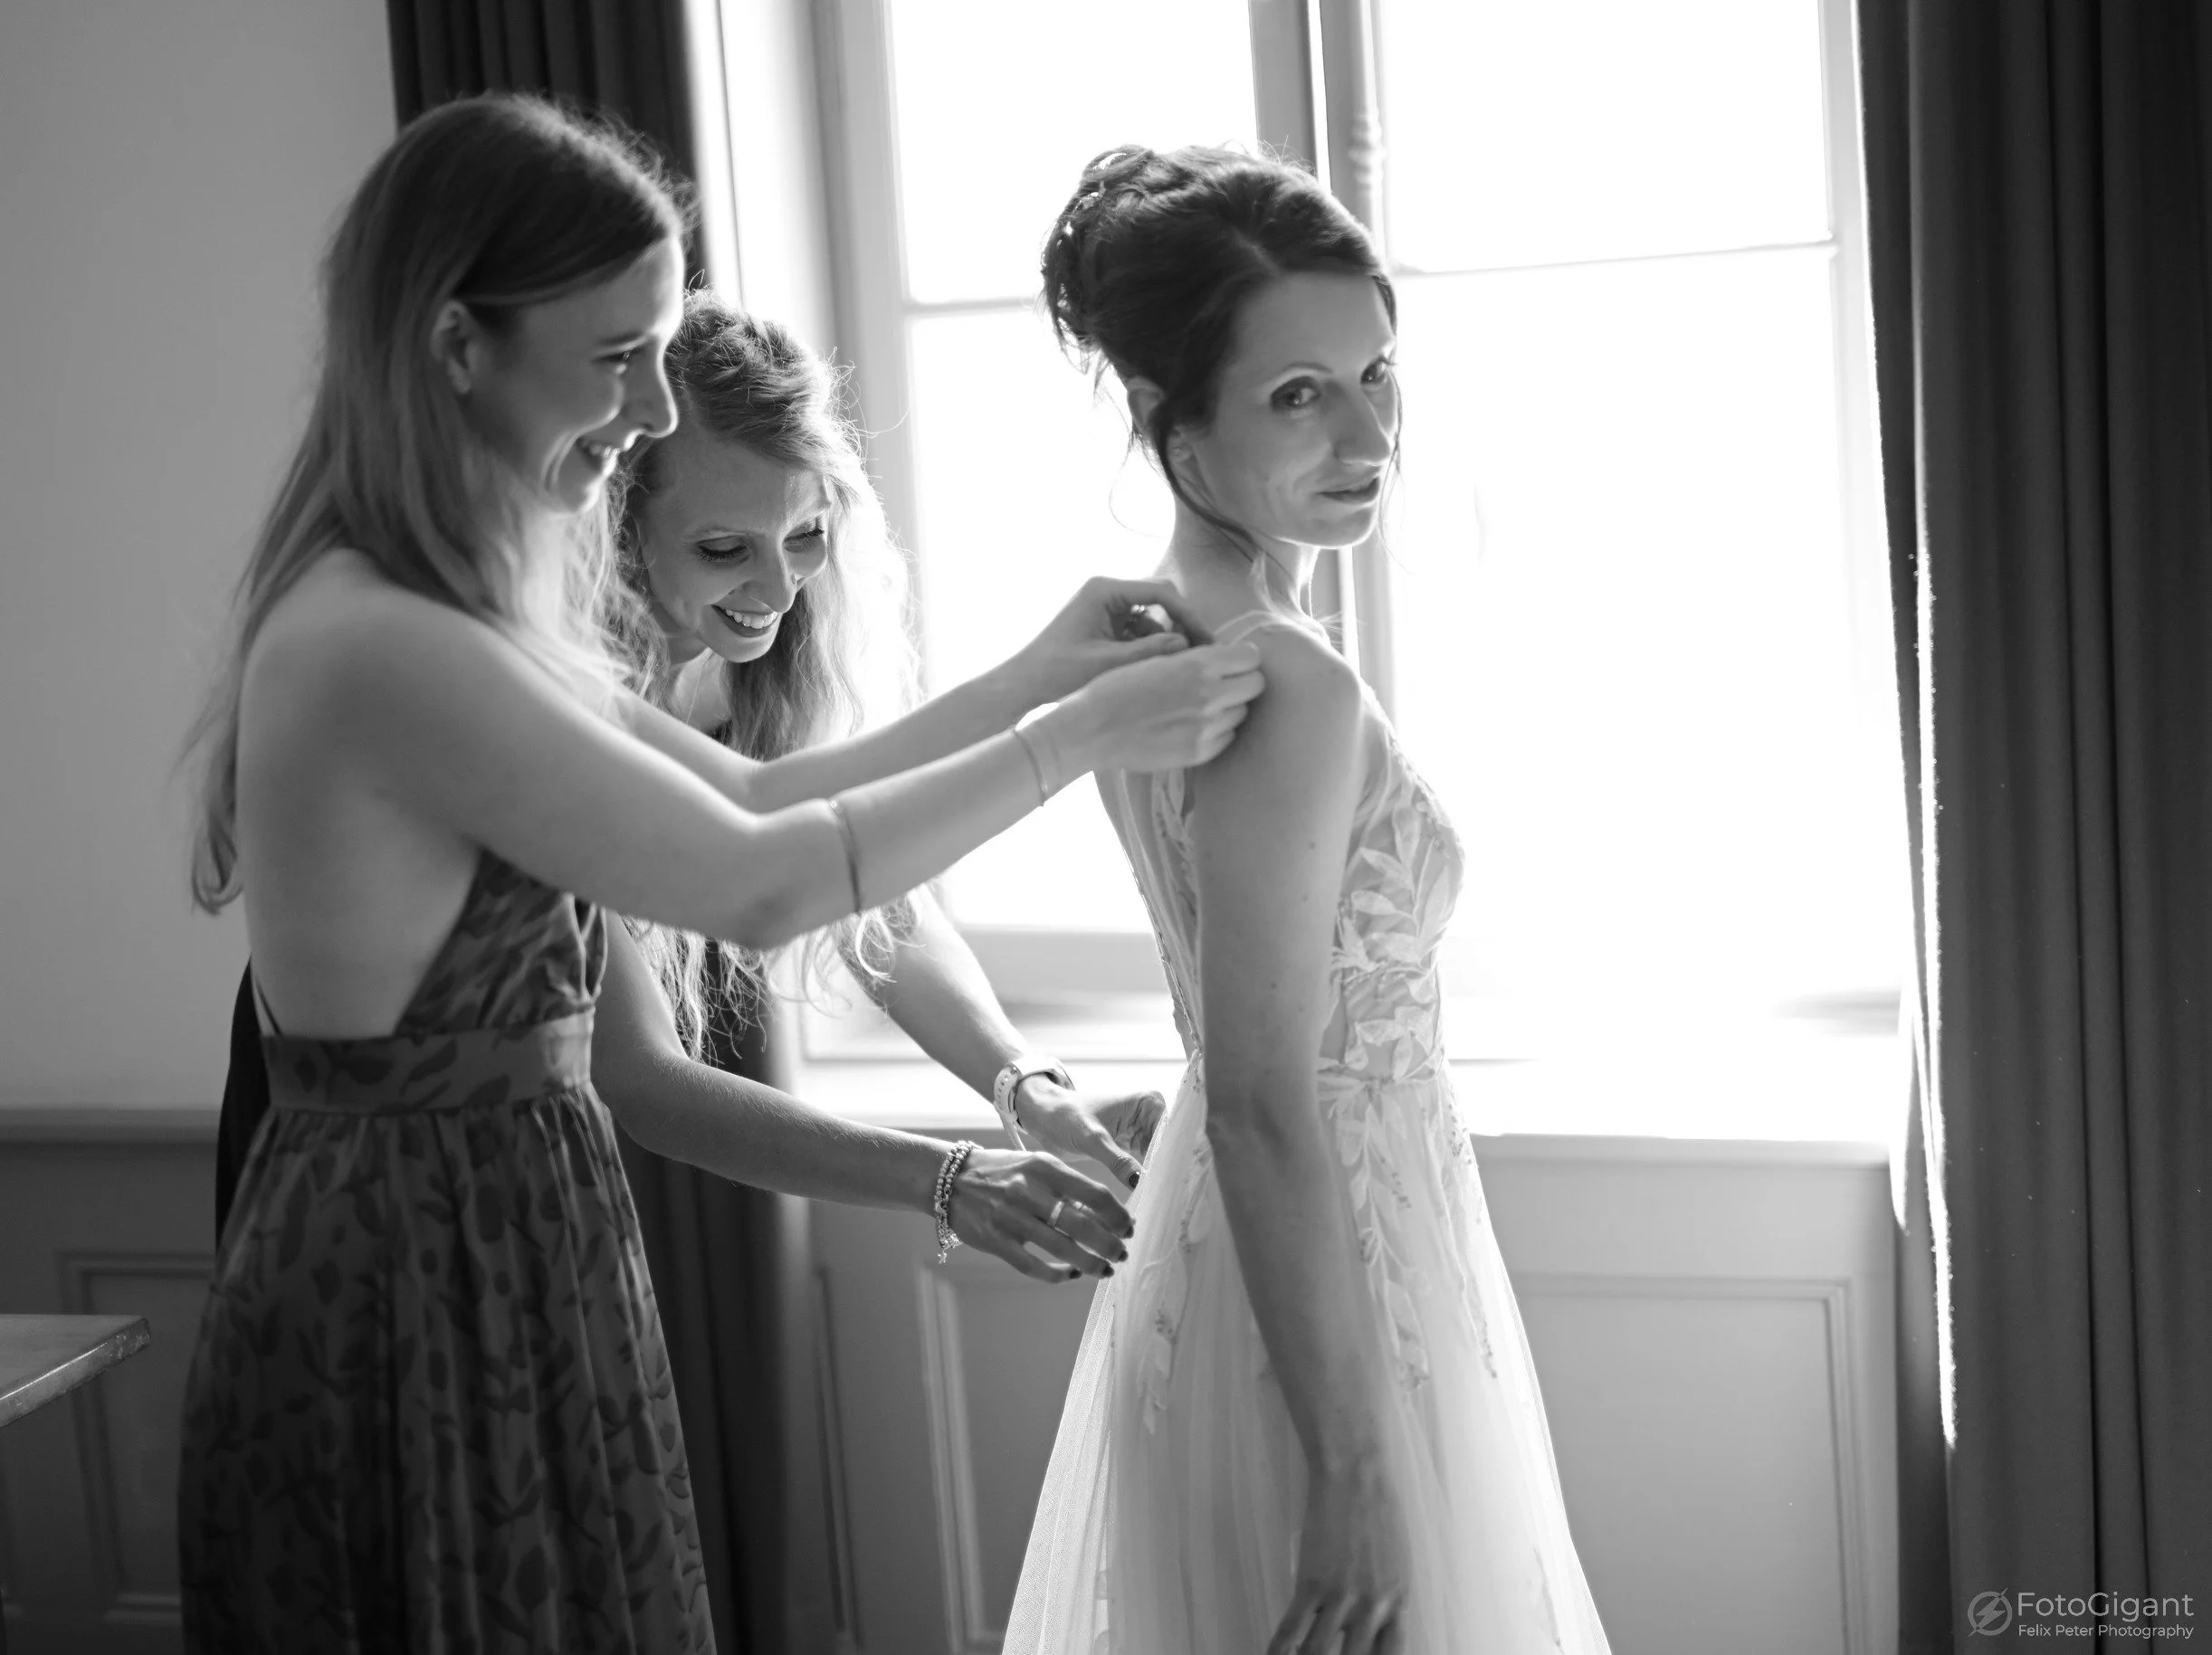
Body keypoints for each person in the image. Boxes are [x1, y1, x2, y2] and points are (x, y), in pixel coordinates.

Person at [175, 97, 1261, 1651]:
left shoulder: (461, 623)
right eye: (619, 354)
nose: (647, 406)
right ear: (458, 345)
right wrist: (1079, 733)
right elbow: (761, 880)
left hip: (509, 1237)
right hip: (410, 1267)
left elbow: (758, 791)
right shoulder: (392, 645)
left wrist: (1039, 674)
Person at [1005, 146, 1614, 1655]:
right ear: (1172, 419)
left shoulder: (1151, 639)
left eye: (1376, 375)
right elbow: (1266, 1098)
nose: (1370, 434)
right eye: (1299, 394)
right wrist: (1351, 1466)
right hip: (1330, 1291)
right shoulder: (1287, 677)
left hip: (1268, 1254)